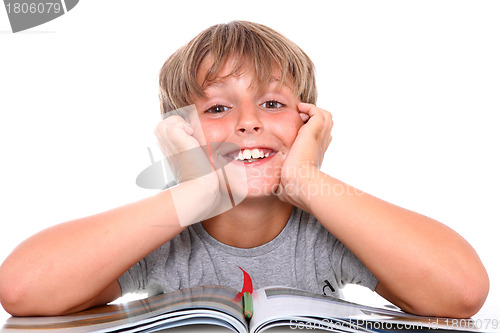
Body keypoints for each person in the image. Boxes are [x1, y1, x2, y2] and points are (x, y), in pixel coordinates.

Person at [0, 21, 489, 319]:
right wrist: (199, 191)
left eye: (272, 102)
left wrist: (306, 180)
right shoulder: (163, 233)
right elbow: (22, 289)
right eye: (216, 109)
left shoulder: (326, 231)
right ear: (182, 132)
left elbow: (462, 292)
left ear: (307, 122)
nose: (248, 122)